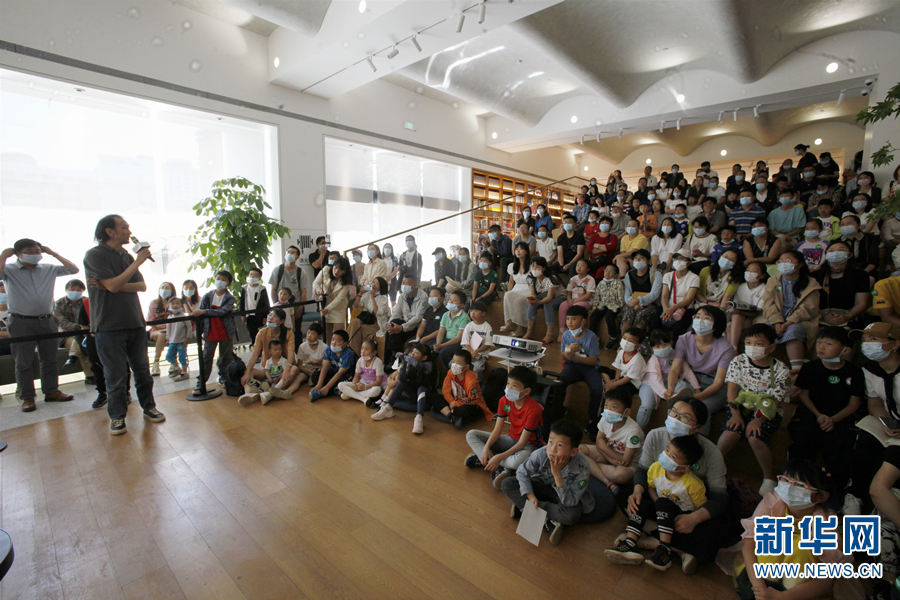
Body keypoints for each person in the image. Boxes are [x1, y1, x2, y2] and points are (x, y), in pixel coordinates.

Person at [613, 399, 727, 573]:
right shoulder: (656, 435)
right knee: (626, 498)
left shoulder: (711, 453)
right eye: (674, 412)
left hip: (689, 507)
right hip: (659, 496)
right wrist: (637, 491)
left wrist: (694, 518)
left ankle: (643, 540)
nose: (675, 418)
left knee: (718, 528)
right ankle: (678, 549)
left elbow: (719, 497)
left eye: (685, 417)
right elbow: (643, 470)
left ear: (698, 428)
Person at [83, 215, 165, 434]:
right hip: (108, 326)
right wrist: (134, 266)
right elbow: (112, 286)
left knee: (143, 372)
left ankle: (149, 407)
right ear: (110, 232)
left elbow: (141, 286)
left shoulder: (126, 256)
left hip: (135, 322)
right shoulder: (95, 255)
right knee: (116, 376)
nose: (129, 232)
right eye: (124, 227)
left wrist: (114, 284)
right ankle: (117, 417)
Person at [606, 434, 706, 572]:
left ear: (685, 468)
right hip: (661, 511)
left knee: (664, 503)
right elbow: (651, 488)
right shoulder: (655, 468)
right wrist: (657, 503)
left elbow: (701, 507)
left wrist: (688, 519)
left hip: (679, 518)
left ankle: (663, 550)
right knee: (639, 503)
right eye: (667, 450)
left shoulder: (694, 484)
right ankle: (630, 543)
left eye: (673, 457)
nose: (666, 456)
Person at [1, 238, 80, 412]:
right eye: (30, 252)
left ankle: (51, 391)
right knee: (23, 361)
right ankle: (28, 397)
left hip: (47, 320)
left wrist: (53, 253)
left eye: (37, 251)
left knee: (50, 359)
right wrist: (3, 257)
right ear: (18, 254)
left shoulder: (48, 268)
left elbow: (73, 269)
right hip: (21, 321)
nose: (35, 254)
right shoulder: (9, 269)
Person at [717, 324, 790, 495]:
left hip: (766, 411)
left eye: (759, 344)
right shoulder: (738, 361)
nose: (752, 347)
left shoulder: (781, 370)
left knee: (755, 437)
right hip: (740, 405)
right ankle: (714, 467)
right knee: (730, 433)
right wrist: (735, 414)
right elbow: (732, 390)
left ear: (771, 347)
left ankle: (768, 477)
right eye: (748, 343)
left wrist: (758, 420)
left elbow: (775, 401)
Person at [788, 326, 862, 495]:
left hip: (840, 417)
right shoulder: (810, 368)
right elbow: (804, 395)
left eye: (828, 344)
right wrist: (818, 415)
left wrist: (833, 419)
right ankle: (795, 482)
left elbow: (853, 404)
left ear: (845, 350)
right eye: (819, 342)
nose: (821, 347)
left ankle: (835, 490)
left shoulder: (854, 372)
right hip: (812, 413)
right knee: (803, 438)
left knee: (841, 443)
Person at [502, 419, 592, 545]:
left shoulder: (582, 467)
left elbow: (570, 501)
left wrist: (557, 475)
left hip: (561, 495)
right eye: (550, 442)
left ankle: (525, 507)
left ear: (573, 451)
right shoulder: (541, 453)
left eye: (560, 445)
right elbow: (522, 472)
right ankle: (547, 519)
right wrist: (530, 495)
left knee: (571, 515)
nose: (552, 449)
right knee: (507, 484)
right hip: (541, 485)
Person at [464, 365, 543, 488]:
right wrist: (486, 447)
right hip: (510, 439)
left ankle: (487, 460)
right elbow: (497, 430)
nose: (509, 388)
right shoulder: (504, 401)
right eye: (508, 383)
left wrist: (499, 457)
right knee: (471, 434)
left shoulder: (534, 409)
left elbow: (522, 443)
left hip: (527, 446)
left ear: (526, 391)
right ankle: (497, 466)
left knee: (520, 460)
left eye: (515, 386)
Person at [666, 306, 734, 437]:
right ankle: (672, 439)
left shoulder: (726, 347)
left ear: (717, 324)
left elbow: (719, 382)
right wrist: (670, 388)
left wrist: (697, 398)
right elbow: (675, 369)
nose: (700, 320)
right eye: (697, 316)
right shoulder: (684, 339)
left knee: (701, 409)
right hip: (692, 379)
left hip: (714, 386)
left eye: (706, 318)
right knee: (677, 405)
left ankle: (699, 443)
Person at [761, 250, 821, 374]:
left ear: (800, 264)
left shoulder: (811, 283)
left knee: (793, 331)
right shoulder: (773, 281)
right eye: (780, 261)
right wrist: (777, 322)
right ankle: (761, 366)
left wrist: (788, 323)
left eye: (788, 261)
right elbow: (768, 304)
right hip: (776, 318)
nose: (783, 264)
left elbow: (809, 308)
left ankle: (796, 370)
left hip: (801, 320)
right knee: (763, 330)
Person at [547, 305, 604, 431]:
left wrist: (574, 356)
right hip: (572, 365)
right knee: (559, 383)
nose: (570, 322)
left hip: (589, 367)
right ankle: (557, 415)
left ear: (583, 321)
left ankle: (592, 420)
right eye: (568, 319)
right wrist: (568, 352)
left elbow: (593, 360)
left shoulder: (591, 337)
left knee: (597, 389)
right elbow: (563, 356)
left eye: (574, 319)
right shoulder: (566, 335)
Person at [578, 387, 644, 492]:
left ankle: (590, 467)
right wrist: (610, 459)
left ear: (626, 412)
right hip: (609, 455)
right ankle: (601, 476)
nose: (608, 410)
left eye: (614, 407)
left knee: (620, 475)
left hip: (627, 465)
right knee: (580, 450)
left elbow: (626, 460)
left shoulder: (633, 432)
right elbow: (598, 441)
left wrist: (603, 446)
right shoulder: (605, 418)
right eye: (606, 405)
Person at [638, 329, 701, 430]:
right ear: (652, 348)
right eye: (657, 346)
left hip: (669, 383)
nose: (662, 348)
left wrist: (697, 388)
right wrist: (664, 392)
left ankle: (676, 408)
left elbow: (688, 372)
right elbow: (654, 379)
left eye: (665, 344)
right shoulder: (653, 360)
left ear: (671, 343)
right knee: (646, 406)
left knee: (683, 386)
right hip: (651, 384)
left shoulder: (677, 355)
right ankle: (639, 429)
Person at [371, 342, 436, 435]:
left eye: (416, 353)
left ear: (424, 357)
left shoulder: (428, 365)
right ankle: (388, 408)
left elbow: (419, 366)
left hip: (426, 399)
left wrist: (406, 357)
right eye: (413, 351)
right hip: (414, 397)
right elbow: (402, 378)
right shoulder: (411, 363)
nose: (412, 354)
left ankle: (419, 418)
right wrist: (404, 363)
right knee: (403, 382)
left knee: (421, 388)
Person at [192, 271, 237, 393]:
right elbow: (200, 313)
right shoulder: (207, 296)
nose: (220, 281)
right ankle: (201, 381)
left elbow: (222, 311)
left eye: (224, 279)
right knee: (206, 357)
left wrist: (206, 312)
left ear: (228, 283)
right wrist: (200, 330)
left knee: (225, 357)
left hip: (225, 332)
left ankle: (224, 377)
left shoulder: (230, 298)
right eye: (218, 278)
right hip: (210, 332)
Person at [813, 241, 873, 330]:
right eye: (831, 250)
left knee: (846, 331)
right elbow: (810, 302)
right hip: (820, 315)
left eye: (841, 250)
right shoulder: (815, 276)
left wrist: (848, 316)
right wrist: (824, 315)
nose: (835, 253)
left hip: (849, 316)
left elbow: (861, 303)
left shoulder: (861, 275)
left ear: (850, 255)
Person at [433, 349, 492, 429]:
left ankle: (448, 412)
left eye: (458, 363)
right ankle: (452, 416)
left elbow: (473, 399)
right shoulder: (450, 373)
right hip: (455, 400)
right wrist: (451, 402)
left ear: (466, 366)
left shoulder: (472, 379)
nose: (454, 365)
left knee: (465, 409)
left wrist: (455, 403)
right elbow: (446, 390)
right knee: (435, 397)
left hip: (468, 403)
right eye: (453, 361)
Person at [384, 275, 428, 370]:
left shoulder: (423, 296)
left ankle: (394, 359)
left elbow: (418, 317)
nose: (404, 285)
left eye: (407, 283)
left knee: (396, 332)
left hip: (416, 327)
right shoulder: (402, 296)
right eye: (403, 282)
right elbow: (396, 313)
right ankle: (388, 360)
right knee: (392, 326)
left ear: (414, 285)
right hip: (405, 323)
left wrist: (402, 327)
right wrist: (389, 324)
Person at [619, 250, 663, 341]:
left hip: (651, 305)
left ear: (648, 261)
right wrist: (634, 304)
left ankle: (635, 342)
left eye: (641, 258)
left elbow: (654, 294)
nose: (638, 260)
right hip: (632, 303)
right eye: (636, 258)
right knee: (627, 315)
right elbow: (627, 293)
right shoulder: (629, 274)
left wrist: (639, 301)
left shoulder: (656, 274)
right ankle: (624, 342)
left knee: (640, 317)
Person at [54, 279, 93, 380]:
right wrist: (79, 327)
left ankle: (72, 358)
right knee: (81, 343)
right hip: (67, 335)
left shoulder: (88, 302)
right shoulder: (58, 304)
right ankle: (90, 376)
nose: (75, 292)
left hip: (87, 333)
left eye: (79, 290)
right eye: (72, 289)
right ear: (66, 290)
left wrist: (86, 329)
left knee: (84, 341)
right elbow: (62, 323)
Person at [724, 260, 767, 351]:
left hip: (754, 317)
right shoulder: (741, 287)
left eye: (754, 271)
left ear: (762, 275)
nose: (749, 273)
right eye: (748, 270)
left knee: (736, 317)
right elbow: (735, 305)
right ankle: (732, 349)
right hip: (740, 318)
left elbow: (758, 311)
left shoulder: (764, 288)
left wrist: (740, 312)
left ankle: (732, 349)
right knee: (730, 324)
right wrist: (737, 311)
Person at [268, 245, 307, 337]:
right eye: (288, 252)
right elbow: (273, 290)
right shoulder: (277, 270)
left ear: (297, 257)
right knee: (279, 331)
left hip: (295, 305)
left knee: (295, 330)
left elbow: (303, 292)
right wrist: (275, 305)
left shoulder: (301, 272)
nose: (290, 254)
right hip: (280, 306)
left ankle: (296, 346)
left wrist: (300, 308)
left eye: (293, 253)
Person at [660, 250, 699, 338]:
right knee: (657, 323)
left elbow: (688, 299)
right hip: (668, 306)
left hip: (685, 308)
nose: (678, 261)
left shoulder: (694, 278)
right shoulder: (667, 276)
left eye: (682, 259)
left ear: (688, 263)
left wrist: (673, 308)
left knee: (678, 329)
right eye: (676, 258)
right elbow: (664, 295)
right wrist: (666, 309)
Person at [309, 329, 356, 402]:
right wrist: (319, 384)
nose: (334, 343)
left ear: (345, 344)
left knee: (341, 383)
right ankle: (335, 390)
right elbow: (325, 367)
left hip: (346, 374)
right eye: (333, 340)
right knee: (315, 376)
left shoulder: (349, 354)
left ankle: (322, 392)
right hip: (334, 371)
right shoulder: (328, 350)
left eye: (338, 341)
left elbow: (340, 373)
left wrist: (327, 387)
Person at [524, 257, 563, 344]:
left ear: (544, 268)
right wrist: (531, 300)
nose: (534, 269)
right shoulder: (531, 278)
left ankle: (550, 334)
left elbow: (550, 297)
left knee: (548, 305)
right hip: (543, 296)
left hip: (559, 297)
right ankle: (529, 332)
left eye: (537, 267)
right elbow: (533, 293)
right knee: (532, 305)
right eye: (533, 266)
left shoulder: (551, 278)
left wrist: (539, 302)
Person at [313, 256, 352, 341]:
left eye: (341, 269)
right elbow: (315, 283)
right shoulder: (326, 269)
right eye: (335, 267)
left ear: (345, 271)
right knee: (327, 333)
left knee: (338, 333)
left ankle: (338, 348)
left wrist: (328, 309)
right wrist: (318, 289)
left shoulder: (346, 282)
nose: (336, 271)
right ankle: (328, 348)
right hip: (325, 304)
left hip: (338, 307)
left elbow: (339, 299)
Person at [337, 338, 384, 404]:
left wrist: (366, 387)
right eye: (362, 348)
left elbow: (378, 381)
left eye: (366, 349)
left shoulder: (378, 362)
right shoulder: (360, 360)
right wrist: (354, 383)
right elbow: (356, 376)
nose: (363, 351)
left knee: (377, 390)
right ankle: (363, 399)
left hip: (371, 386)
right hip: (361, 384)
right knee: (340, 385)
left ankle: (351, 395)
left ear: (374, 352)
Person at [500, 242, 532, 337]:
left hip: (528, 289)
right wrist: (509, 292)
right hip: (517, 287)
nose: (518, 251)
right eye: (516, 249)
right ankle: (509, 322)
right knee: (507, 295)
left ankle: (520, 328)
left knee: (518, 300)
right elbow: (511, 282)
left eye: (521, 249)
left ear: (526, 251)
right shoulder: (512, 266)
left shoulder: (531, 266)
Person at [590, 264, 624, 350]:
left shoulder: (618, 283)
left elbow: (621, 298)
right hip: (603, 305)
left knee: (609, 316)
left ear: (616, 274)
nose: (607, 273)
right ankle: (593, 337)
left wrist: (620, 308)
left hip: (614, 305)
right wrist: (594, 307)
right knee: (594, 316)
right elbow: (597, 297)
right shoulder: (601, 283)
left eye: (611, 271)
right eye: (606, 270)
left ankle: (613, 337)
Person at [434, 290, 470, 368]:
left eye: (454, 300)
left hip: (457, 343)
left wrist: (442, 346)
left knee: (443, 352)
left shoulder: (464, 318)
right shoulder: (445, 315)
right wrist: (438, 344)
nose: (450, 302)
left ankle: (451, 372)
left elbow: (458, 338)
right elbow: (441, 332)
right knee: (430, 349)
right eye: (450, 299)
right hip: (446, 340)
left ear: (461, 305)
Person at [839, 214, 879, 284]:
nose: (845, 226)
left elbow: (874, 261)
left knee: (868, 280)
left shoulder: (870, 239)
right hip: (843, 271)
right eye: (842, 224)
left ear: (858, 226)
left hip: (865, 270)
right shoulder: (837, 242)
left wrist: (863, 273)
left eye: (849, 223)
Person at [146, 281, 175, 376]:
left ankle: (174, 363)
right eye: (162, 288)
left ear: (172, 291)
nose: (164, 290)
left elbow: (179, 318)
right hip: (156, 331)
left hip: (172, 331)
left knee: (175, 335)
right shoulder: (153, 303)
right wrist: (158, 326)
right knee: (162, 334)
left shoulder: (175, 303)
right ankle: (156, 363)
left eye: (167, 288)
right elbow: (149, 320)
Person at [461, 301, 493, 381]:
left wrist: (476, 351)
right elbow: (465, 342)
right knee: (454, 364)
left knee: (478, 368)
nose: (472, 313)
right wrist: (472, 352)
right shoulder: (469, 326)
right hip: (468, 351)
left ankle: (477, 384)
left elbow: (488, 344)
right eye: (471, 311)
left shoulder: (487, 327)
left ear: (483, 313)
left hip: (481, 354)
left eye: (476, 311)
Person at [240, 267, 270, 345]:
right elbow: (242, 301)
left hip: (259, 315)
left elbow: (266, 303)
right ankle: (255, 347)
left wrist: (265, 316)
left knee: (260, 333)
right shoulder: (245, 288)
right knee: (252, 333)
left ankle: (260, 348)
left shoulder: (262, 289)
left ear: (259, 278)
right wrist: (242, 314)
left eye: (255, 275)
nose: (252, 277)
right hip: (249, 315)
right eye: (251, 274)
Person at [163, 297, 190, 381]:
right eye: (172, 303)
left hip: (181, 341)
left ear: (182, 305)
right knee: (169, 356)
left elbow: (189, 327)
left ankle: (184, 373)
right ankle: (177, 368)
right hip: (172, 341)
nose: (175, 305)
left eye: (177, 303)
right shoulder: (169, 317)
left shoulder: (184, 317)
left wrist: (187, 337)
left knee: (182, 357)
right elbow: (168, 329)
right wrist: (168, 339)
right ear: (168, 306)